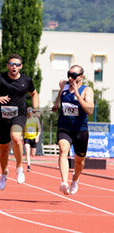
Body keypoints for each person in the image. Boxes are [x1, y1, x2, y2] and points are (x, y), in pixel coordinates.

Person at [0, 54, 39, 190]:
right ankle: (4, 173)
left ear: (21, 67)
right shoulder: (1, 79)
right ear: (8, 65)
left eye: (17, 64)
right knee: (3, 150)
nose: (14, 67)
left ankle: (19, 167)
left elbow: (34, 94)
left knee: (16, 138)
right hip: (3, 117)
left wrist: (36, 110)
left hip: (19, 114)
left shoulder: (26, 80)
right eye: (12, 64)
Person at [52, 65, 94, 195]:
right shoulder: (63, 84)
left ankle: (75, 179)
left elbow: (90, 111)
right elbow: (60, 92)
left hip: (80, 129)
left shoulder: (87, 90)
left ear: (81, 77)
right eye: (68, 75)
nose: (70, 78)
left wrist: (78, 96)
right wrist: (57, 103)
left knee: (79, 161)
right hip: (65, 127)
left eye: (74, 76)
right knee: (63, 150)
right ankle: (64, 182)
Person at [23, 107, 41, 172]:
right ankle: (28, 166)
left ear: (32, 113)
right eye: (28, 112)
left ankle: (30, 157)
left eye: (31, 112)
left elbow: (39, 129)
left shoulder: (36, 119)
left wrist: (37, 136)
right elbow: (22, 129)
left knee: (33, 153)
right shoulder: (25, 120)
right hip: (27, 137)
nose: (30, 114)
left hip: (34, 138)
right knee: (27, 151)